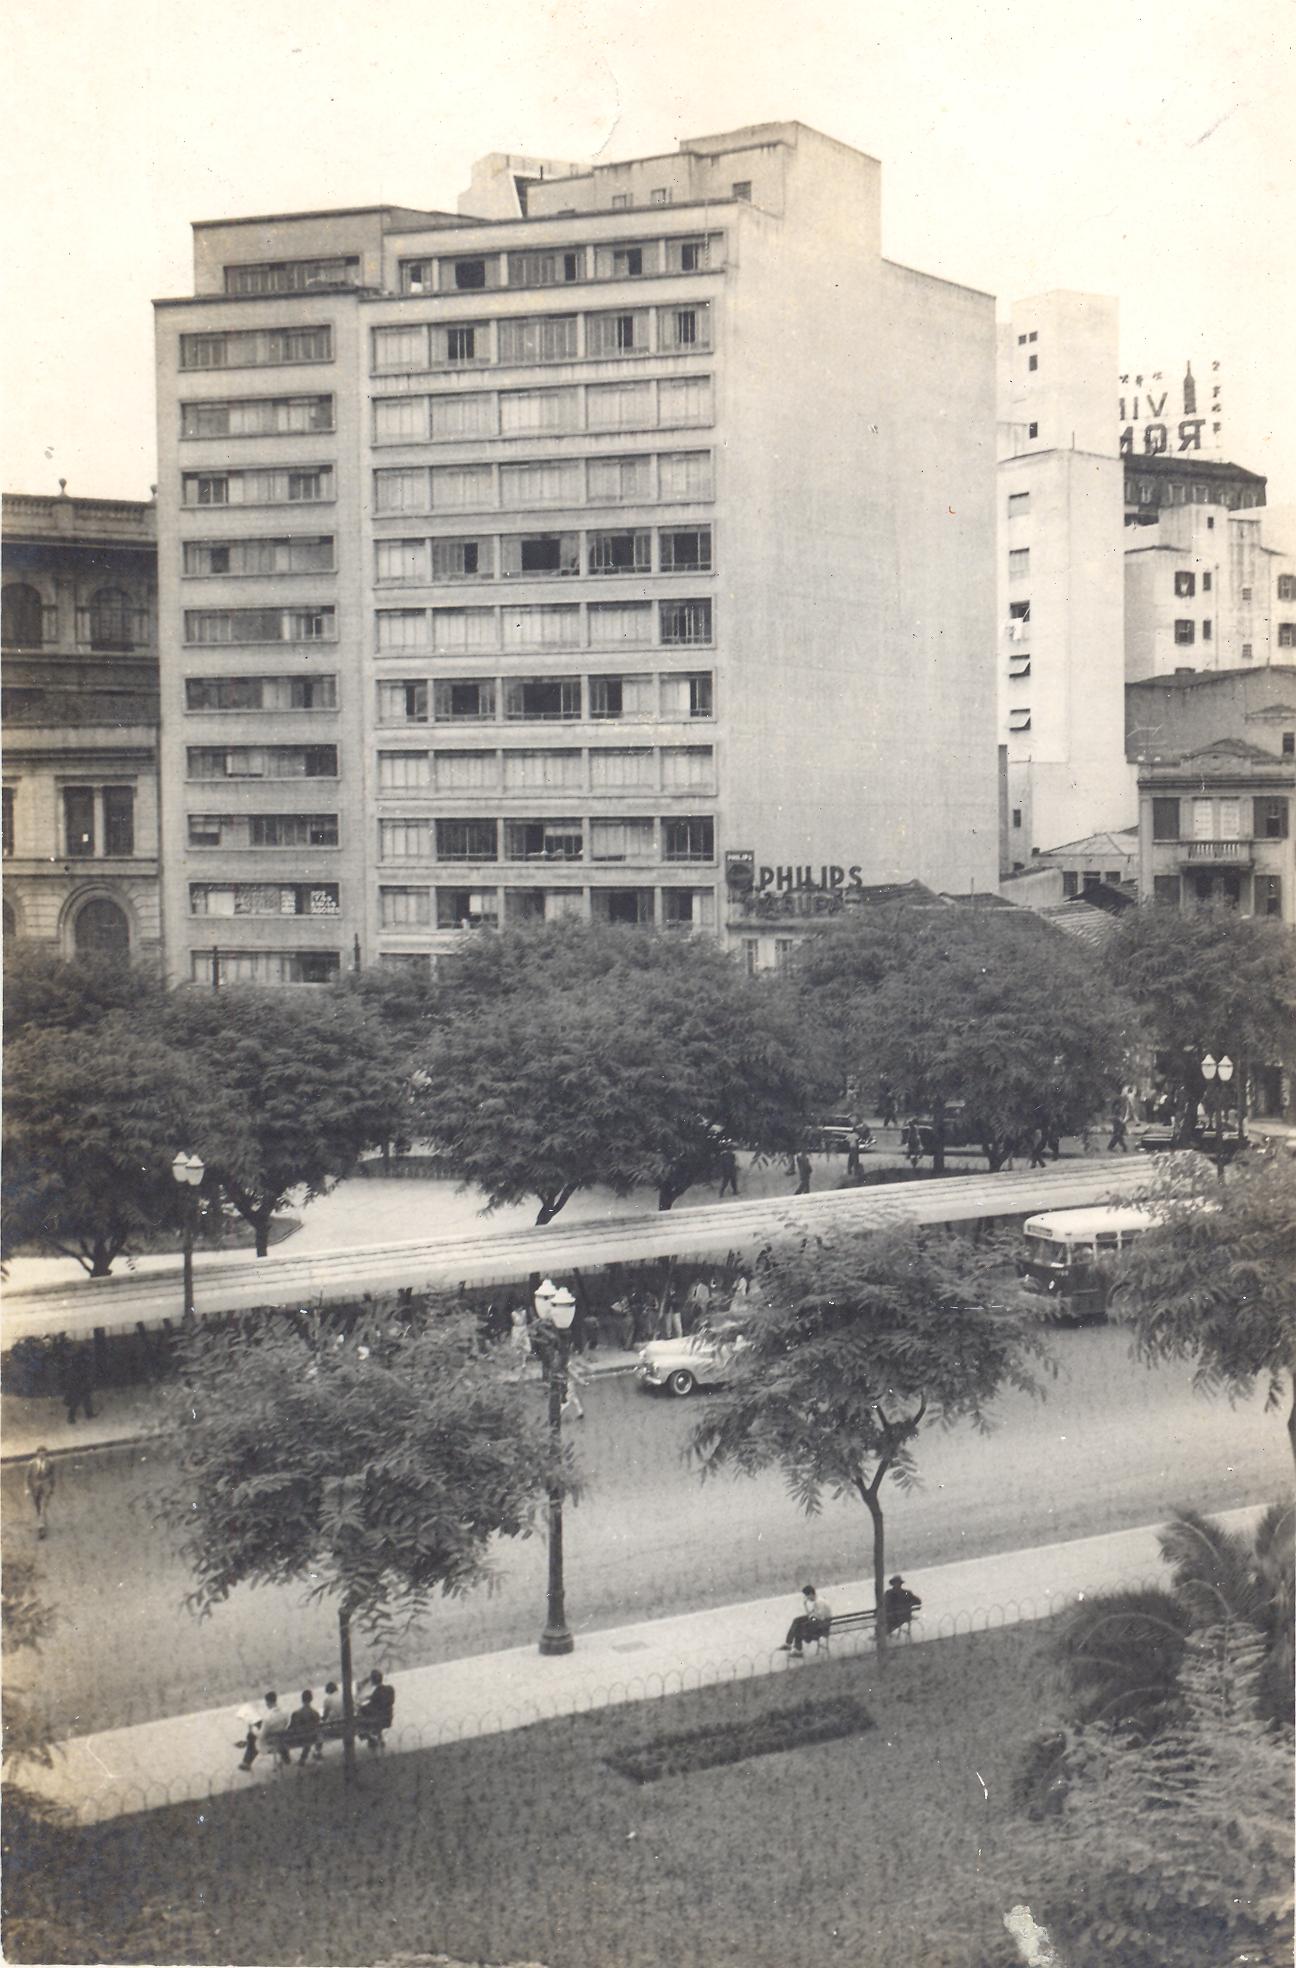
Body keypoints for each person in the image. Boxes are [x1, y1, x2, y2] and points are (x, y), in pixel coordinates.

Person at [240, 1691, 291, 1770]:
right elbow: (285, 1725)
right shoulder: (285, 1713)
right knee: (261, 1726)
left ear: (268, 1702)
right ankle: (285, 1756)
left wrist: (253, 1731)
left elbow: (261, 1736)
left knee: (251, 1736)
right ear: (275, 1700)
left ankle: (246, 1763)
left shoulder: (267, 1718)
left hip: (269, 1744)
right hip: (282, 1740)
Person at [778, 1584, 832, 1657]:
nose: (806, 1598)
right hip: (819, 1622)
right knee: (797, 1620)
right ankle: (789, 1643)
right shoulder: (818, 1600)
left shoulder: (819, 1602)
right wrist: (805, 1606)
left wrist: (811, 1617)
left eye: (806, 1596)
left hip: (821, 1626)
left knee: (799, 1627)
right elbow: (812, 1614)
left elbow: (820, 1617)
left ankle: (797, 1649)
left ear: (811, 1594)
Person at [357, 1669, 395, 1749]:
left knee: (360, 1717)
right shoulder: (390, 1689)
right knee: (375, 1714)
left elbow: (369, 1706)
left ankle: (371, 1739)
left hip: (378, 1719)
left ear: (372, 1681)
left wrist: (360, 1707)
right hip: (388, 1717)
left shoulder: (376, 1693)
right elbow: (380, 1699)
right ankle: (378, 1737)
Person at [26, 1447, 55, 1540]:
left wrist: (52, 1487)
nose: (42, 1456)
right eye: (40, 1454)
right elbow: (27, 1477)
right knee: (37, 1506)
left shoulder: (50, 1463)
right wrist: (27, 1489)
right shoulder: (31, 1464)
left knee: (43, 1507)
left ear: (46, 1454)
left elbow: (52, 1475)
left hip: (46, 1486)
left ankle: (41, 1527)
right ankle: (41, 1521)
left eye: (44, 1454)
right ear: (37, 1454)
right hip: (35, 1488)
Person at [288, 1689, 321, 1766]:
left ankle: (293, 1759)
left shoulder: (296, 1713)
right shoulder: (316, 1713)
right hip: (313, 1737)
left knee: (304, 1734)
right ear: (311, 1699)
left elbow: (291, 1728)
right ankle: (313, 1754)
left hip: (300, 1739)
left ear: (302, 1699)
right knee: (309, 1733)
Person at [560, 1354, 588, 1422]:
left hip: (566, 1384)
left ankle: (580, 1412)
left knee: (573, 1398)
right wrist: (583, 1383)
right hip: (569, 1385)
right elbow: (575, 1376)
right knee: (569, 1400)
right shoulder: (568, 1369)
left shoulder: (561, 1367)